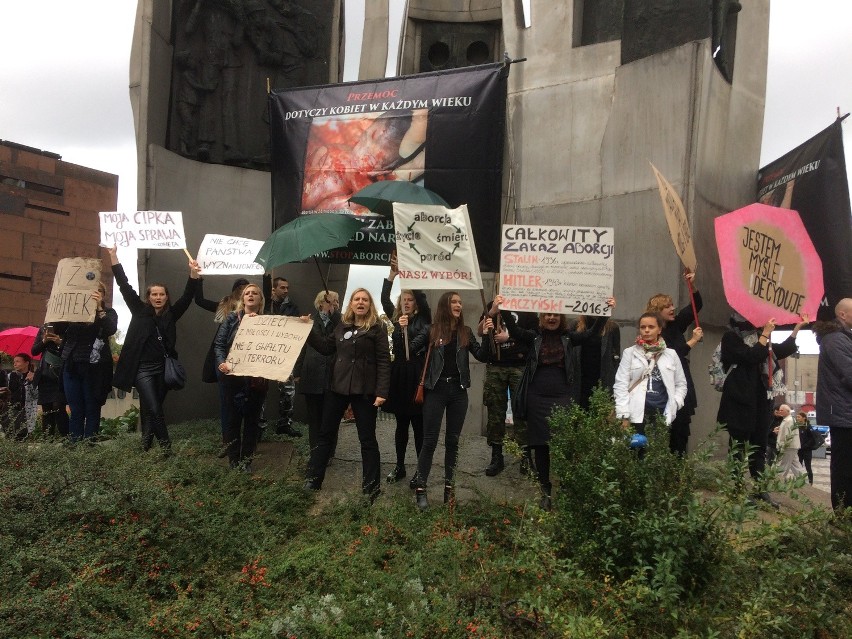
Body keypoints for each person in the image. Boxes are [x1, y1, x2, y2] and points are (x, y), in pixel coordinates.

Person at [495, 295, 614, 510]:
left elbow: (591, 333)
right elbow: (514, 330)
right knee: (540, 443)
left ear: (560, 317)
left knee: (562, 440)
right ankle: (545, 490)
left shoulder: (569, 337)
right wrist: (503, 307)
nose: (551, 318)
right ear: (542, 317)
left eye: (555, 315)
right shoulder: (534, 337)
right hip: (537, 395)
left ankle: (566, 485)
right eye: (548, 314)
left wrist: (604, 312)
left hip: (562, 394)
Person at [109, 246, 201, 452]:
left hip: (163, 369)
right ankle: (167, 449)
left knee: (150, 409)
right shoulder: (139, 310)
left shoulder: (171, 314)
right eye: (154, 294)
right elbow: (124, 285)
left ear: (167, 297)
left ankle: (145, 446)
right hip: (142, 369)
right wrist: (113, 256)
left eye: (162, 294)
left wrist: (193, 273)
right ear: (148, 297)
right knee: (154, 407)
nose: (158, 297)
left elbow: (187, 297)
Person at [303, 288, 390, 501]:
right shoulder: (342, 326)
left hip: (365, 391)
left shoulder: (377, 329)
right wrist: (307, 330)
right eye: (357, 299)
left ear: (370, 304)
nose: (360, 302)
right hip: (337, 388)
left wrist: (381, 391)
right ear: (351, 303)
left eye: (365, 300)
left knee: (367, 440)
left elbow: (384, 362)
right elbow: (325, 347)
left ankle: (371, 488)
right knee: (325, 435)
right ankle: (313, 480)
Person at [717, 312, 809, 507]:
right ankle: (735, 489)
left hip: (761, 399)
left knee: (759, 447)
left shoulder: (762, 338)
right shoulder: (731, 337)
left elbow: (777, 353)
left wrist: (796, 330)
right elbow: (750, 357)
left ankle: (760, 489)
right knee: (738, 447)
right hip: (740, 400)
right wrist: (765, 335)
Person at [413, 292, 492, 511]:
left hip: (458, 392)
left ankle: (449, 489)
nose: (459, 305)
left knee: (453, 442)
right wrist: (403, 326)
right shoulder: (431, 330)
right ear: (444, 306)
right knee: (429, 441)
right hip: (435, 391)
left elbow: (483, 356)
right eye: (454, 302)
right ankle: (421, 489)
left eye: (460, 302)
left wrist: (486, 334)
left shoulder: (466, 332)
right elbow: (410, 349)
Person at [380, 256, 431, 484]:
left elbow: (414, 345)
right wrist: (392, 275)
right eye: (404, 299)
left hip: (417, 374)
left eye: (410, 300)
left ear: (416, 303)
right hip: (400, 374)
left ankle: (420, 471)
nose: (407, 303)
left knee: (419, 426)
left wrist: (409, 273)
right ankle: (399, 466)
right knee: (401, 425)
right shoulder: (396, 317)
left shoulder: (424, 319)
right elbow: (383, 299)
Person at [645, 271, 703, 455]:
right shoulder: (653, 332)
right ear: (657, 312)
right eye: (667, 306)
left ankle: (677, 473)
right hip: (663, 388)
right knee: (661, 432)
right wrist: (692, 341)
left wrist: (692, 285)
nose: (672, 308)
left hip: (681, 384)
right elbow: (668, 355)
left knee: (680, 432)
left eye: (671, 305)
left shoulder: (676, 325)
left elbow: (696, 305)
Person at [614, 312, 687, 458]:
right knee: (635, 456)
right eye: (643, 327)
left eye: (651, 327)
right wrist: (624, 415)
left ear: (659, 329)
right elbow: (620, 384)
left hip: (661, 414)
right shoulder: (630, 353)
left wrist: (676, 403)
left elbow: (681, 384)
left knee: (656, 457)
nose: (646, 330)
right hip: (636, 414)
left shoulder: (671, 354)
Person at [479, 300, 538, 478]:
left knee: (522, 411)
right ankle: (497, 456)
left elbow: (535, 335)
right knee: (495, 412)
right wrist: (491, 311)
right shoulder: (493, 303)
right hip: (495, 365)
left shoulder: (527, 307)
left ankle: (526, 457)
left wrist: (510, 337)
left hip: (519, 365)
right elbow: (480, 329)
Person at [215, 283, 268, 472]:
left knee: (252, 422)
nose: (251, 295)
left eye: (255, 293)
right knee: (232, 421)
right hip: (232, 378)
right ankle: (233, 461)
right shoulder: (231, 318)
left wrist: (301, 323)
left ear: (260, 299)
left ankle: (247, 462)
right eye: (248, 293)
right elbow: (220, 344)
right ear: (242, 298)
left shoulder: (268, 321)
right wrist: (222, 362)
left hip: (256, 380)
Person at [59, 281, 118, 442]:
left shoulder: (108, 312)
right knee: (76, 410)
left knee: (92, 409)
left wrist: (99, 308)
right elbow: (59, 329)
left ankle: (90, 446)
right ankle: (75, 446)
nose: (94, 293)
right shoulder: (74, 313)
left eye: (98, 291)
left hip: (95, 369)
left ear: (103, 295)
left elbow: (110, 329)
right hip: (72, 366)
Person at [195, 276, 249, 452]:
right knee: (227, 405)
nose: (243, 289)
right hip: (226, 360)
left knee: (250, 405)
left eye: (246, 286)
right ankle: (229, 442)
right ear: (234, 289)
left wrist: (266, 277)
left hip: (248, 360)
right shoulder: (225, 306)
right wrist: (198, 280)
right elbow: (200, 300)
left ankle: (248, 443)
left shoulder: (254, 309)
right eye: (240, 286)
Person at [814, 298, 852, 511]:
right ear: (843, 315)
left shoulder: (844, 338)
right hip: (843, 413)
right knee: (844, 469)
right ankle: (843, 514)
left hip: (845, 412)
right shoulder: (836, 340)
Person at [293, 289, 340, 457]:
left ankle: (329, 452)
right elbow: (301, 348)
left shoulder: (340, 322)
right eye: (331, 301)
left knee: (331, 418)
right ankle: (315, 452)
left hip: (333, 376)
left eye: (336, 301)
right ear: (321, 303)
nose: (334, 304)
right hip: (312, 374)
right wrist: (297, 372)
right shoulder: (309, 321)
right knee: (314, 419)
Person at [263, 274, 301, 437]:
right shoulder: (265, 304)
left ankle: (284, 424)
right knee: (260, 389)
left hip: (284, 354)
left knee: (288, 391)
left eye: (287, 288)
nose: (286, 290)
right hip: (263, 352)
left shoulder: (292, 306)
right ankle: (259, 425)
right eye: (282, 287)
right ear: (274, 288)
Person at [569, 312, 621, 408]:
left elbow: (616, 357)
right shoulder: (574, 324)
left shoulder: (612, 327)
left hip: (603, 378)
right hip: (580, 379)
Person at [31, 323, 69, 437]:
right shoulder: (44, 328)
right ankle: (47, 440)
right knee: (47, 410)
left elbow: (70, 350)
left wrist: (60, 343)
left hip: (59, 376)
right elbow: (34, 351)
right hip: (45, 375)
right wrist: (44, 341)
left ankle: (66, 437)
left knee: (58, 406)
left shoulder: (69, 327)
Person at [2, 354, 33, 439]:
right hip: (12, 409)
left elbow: (35, 395)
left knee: (23, 435)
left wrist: (31, 382)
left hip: (27, 410)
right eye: (14, 362)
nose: (15, 364)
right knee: (11, 433)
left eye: (18, 361)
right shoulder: (10, 376)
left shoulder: (33, 376)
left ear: (26, 363)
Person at [774, 404, 804, 480]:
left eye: (782, 410)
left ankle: (779, 480)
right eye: (779, 410)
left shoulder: (789, 420)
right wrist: (779, 430)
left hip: (788, 446)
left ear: (787, 411)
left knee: (783, 465)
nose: (780, 411)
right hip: (791, 446)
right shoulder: (787, 419)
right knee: (796, 464)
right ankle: (802, 479)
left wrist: (783, 446)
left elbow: (789, 434)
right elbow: (786, 432)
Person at [795, 411, 815, 485]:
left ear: (804, 418)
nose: (797, 418)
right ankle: (799, 480)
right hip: (799, 450)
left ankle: (810, 481)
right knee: (798, 466)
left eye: (799, 417)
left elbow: (812, 439)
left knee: (808, 467)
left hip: (807, 450)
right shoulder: (797, 426)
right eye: (797, 417)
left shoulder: (808, 427)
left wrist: (806, 445)